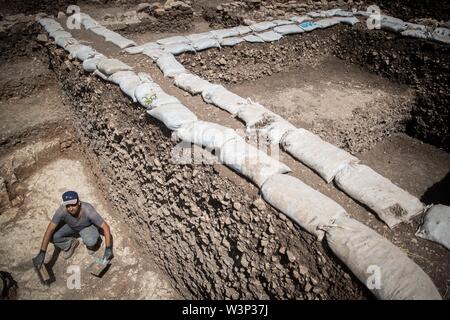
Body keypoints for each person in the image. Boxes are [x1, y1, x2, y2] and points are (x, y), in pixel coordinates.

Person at [32, 191, 113, 269]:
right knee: (53, 236)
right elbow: (50, 229)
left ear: (79, 202)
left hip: (86, 226)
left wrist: (108, 249)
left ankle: (94, 240)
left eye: (73, 205)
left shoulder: (88, 210)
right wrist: (42, 252)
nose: (70, 208)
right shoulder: (62, 211)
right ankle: (71, 243)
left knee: (90, 241)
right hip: (71, 226)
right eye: (68, 206)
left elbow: (105, 227)